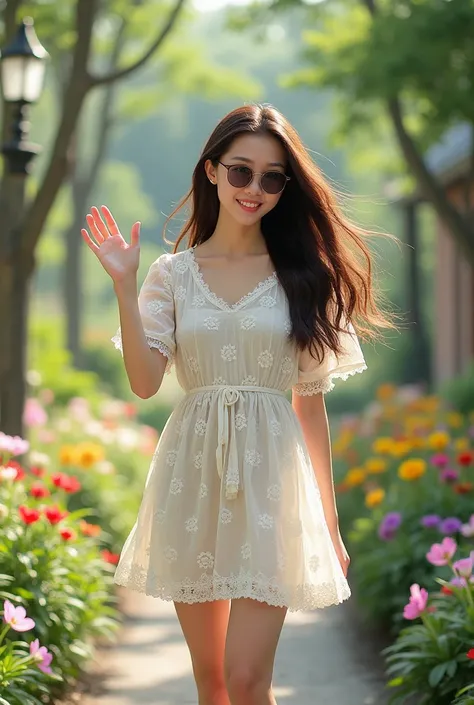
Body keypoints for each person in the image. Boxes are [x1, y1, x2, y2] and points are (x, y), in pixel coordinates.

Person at [81, 103, 393, 705]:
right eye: (242, 171)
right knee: (215, 682)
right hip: (193, 478)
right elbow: (145, 383)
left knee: (250, 681)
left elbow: (310, 407)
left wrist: (329, 525)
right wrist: (124, 285)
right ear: (212, 172)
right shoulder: (172, 275)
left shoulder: (306, 278)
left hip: (271, 484)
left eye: (273, 177)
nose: (256, 188)